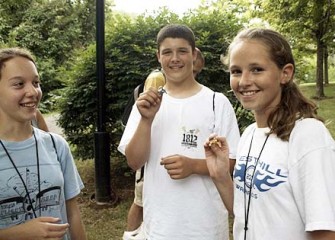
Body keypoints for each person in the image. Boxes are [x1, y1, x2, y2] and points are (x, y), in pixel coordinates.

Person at [204, 28, 335, 240]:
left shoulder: (307, 135)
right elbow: (244, 214)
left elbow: (325, 230)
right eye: (236, 71)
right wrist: (219, 175)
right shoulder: (249, 134)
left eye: (256, 69)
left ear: (285, 73)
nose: (244, 81)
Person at [118, 24, 240, 239]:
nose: (175, 58)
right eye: (167, 52)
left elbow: (230, 162)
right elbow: (134, 162)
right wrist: (146, 120)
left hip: (206, 227)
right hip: (160, 227)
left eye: (182, 51)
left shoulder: (216, 102)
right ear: (158, 56)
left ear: (194, 54)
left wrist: (193, 166)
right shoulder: (147, 103)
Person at [0, 47, 86, 240]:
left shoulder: (57, 146)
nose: (33, 91)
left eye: (36, 82)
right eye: (19, 84)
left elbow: (72, 213)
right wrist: (19, 233)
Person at [122, 48, 206, 240]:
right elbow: (149, 105)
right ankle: (130, 235)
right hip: (150, 159)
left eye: (196, 72)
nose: (193, 76)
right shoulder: (157, 79)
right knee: (140, 200)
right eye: (193, 70)